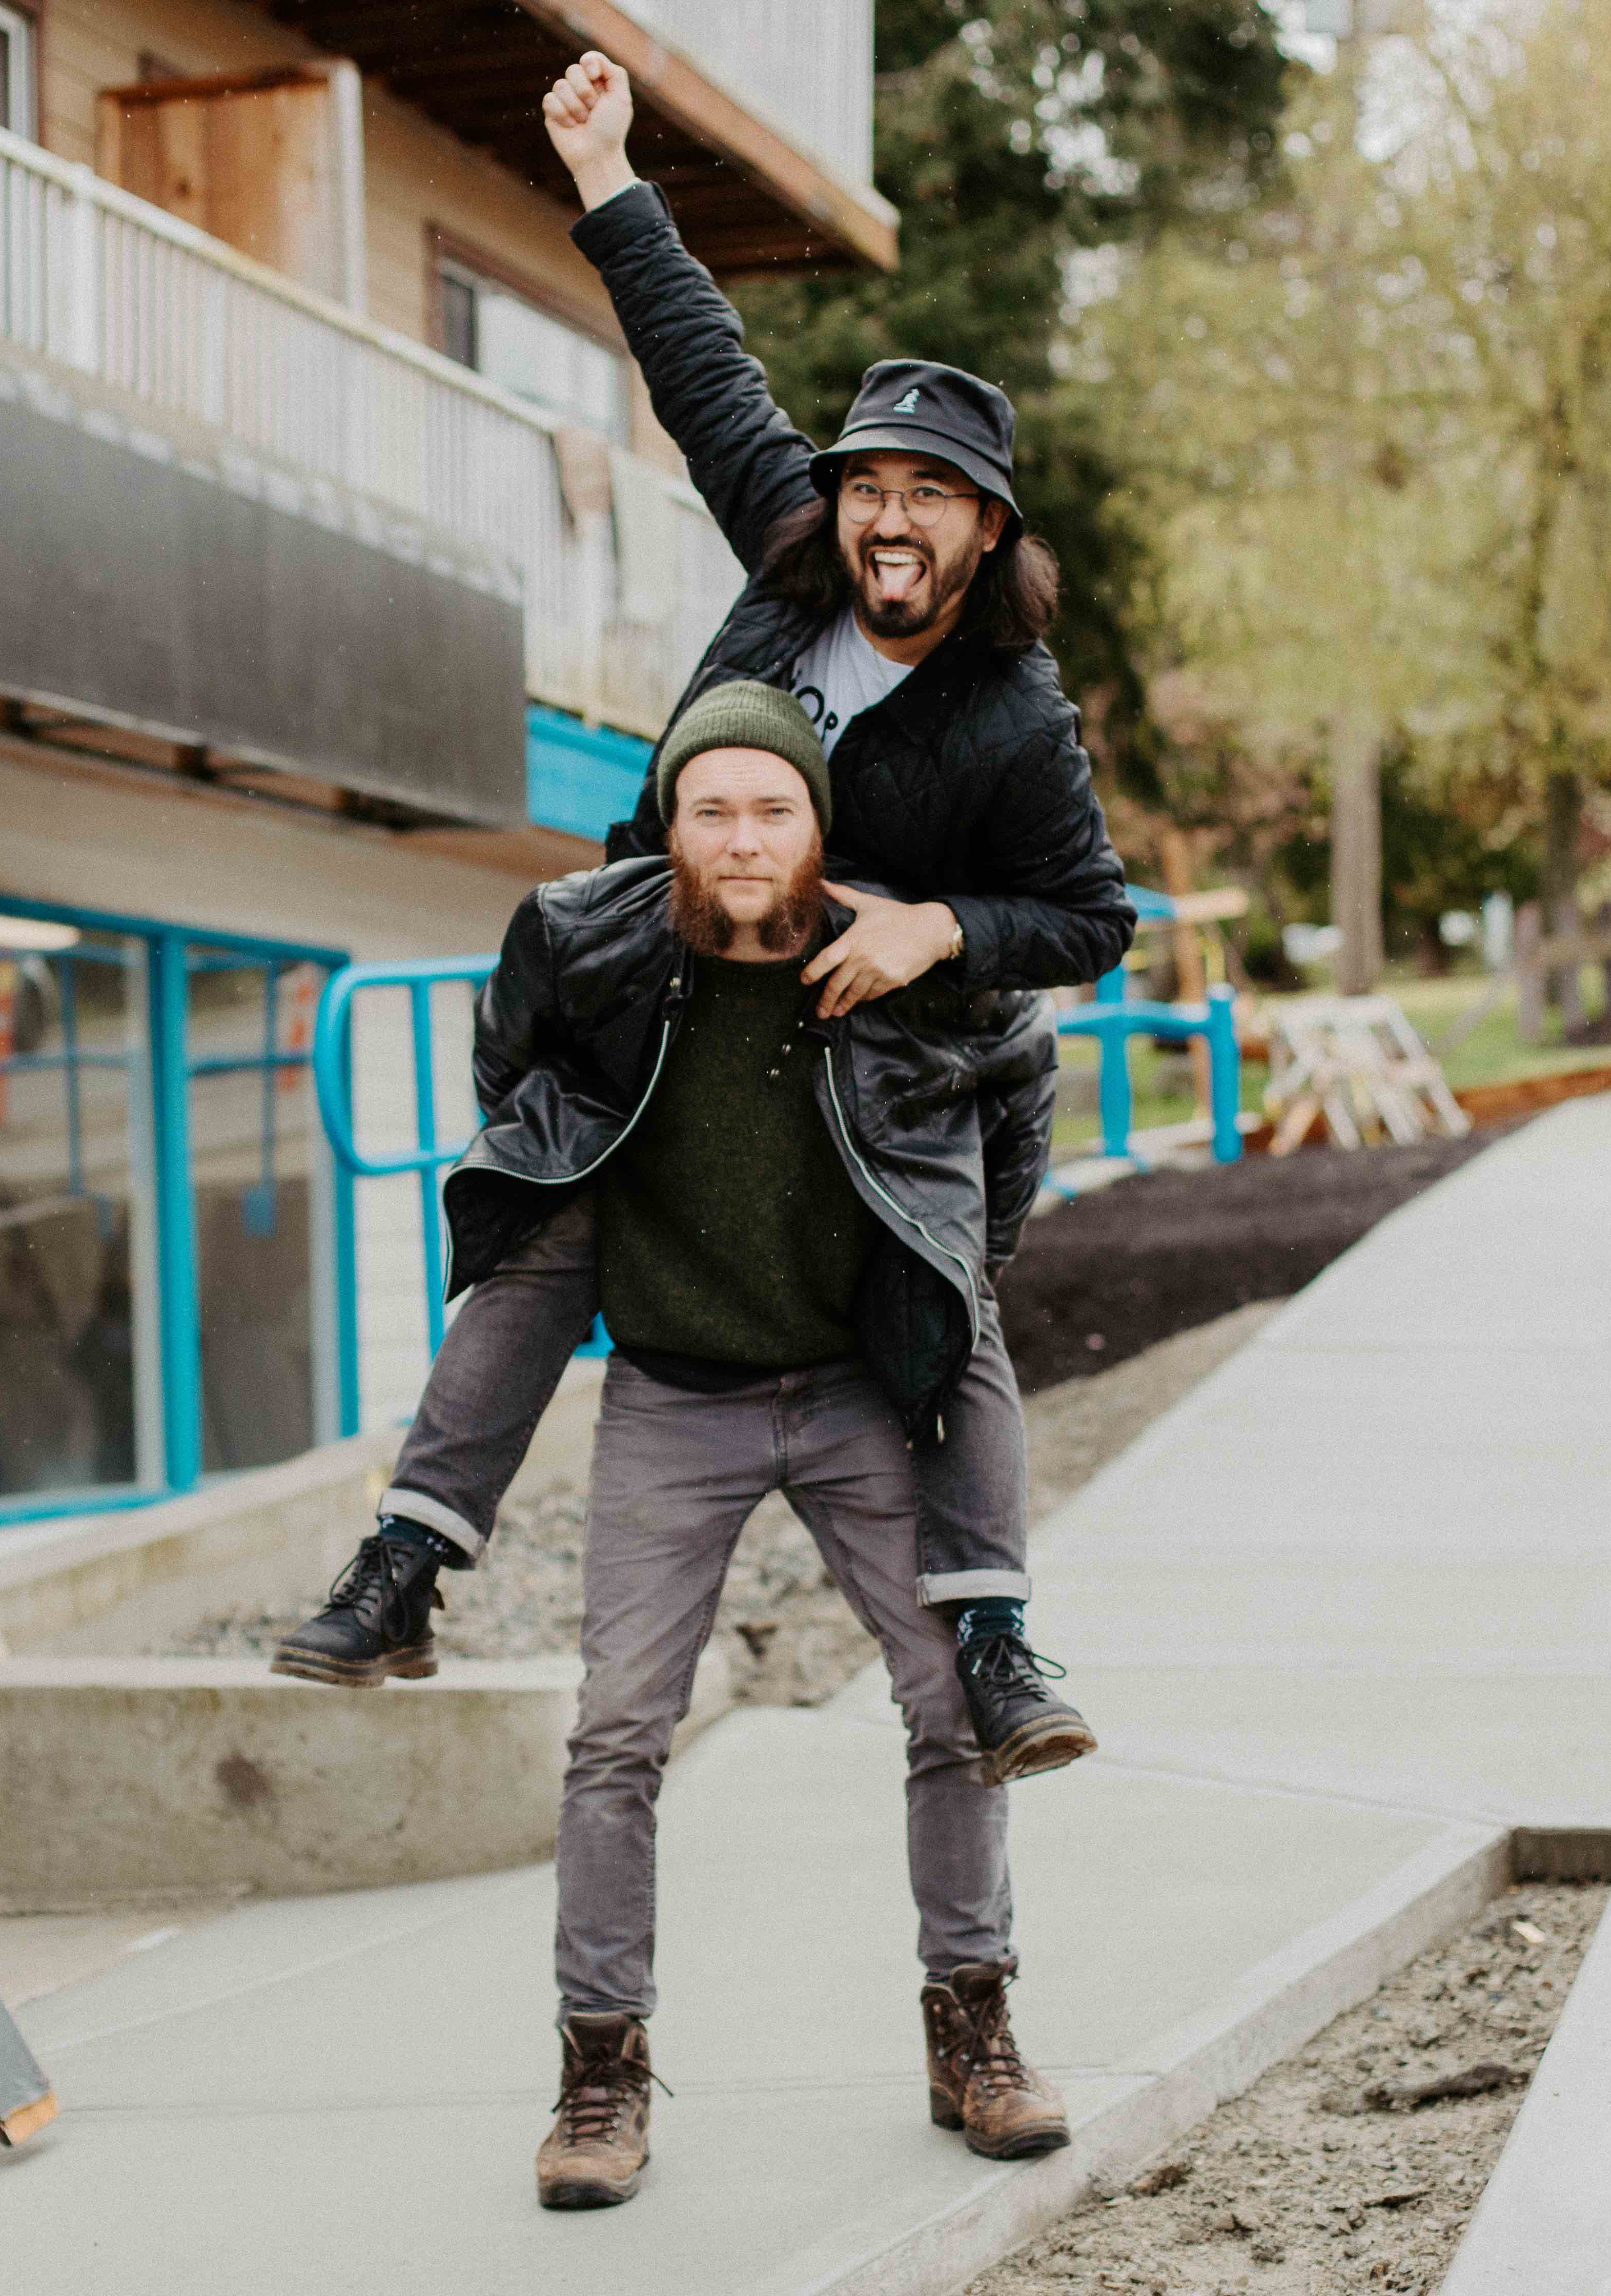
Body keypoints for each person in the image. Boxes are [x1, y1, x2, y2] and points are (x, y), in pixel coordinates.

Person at [271, 50, 1135, 1783]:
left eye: (930, 497)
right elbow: (701, 364)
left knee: (941, 1268)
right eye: (872, 483)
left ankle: (994, 1627)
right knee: (541, 1223)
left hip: (870, 1057)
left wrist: (937, 930)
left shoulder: (1014, 714)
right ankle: (408, 1562)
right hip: (675, 1009)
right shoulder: (791, 550)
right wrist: (602, 174)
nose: (889, 518)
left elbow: (1090, 919)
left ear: (985, 533)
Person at [445, 685, 1070, 2209]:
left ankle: (973, 2031)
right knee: (617, 1732)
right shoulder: (607, 967)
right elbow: (520, 1097)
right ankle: (601, 2075)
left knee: (951, 1698)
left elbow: (1020, 1074)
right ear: (669, 827)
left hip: (860, 1389)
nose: (741, 835)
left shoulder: (895, 957)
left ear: (815, 825)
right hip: (673, 1394)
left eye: (771, 808)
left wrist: (959, 1266)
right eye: (710, 808)